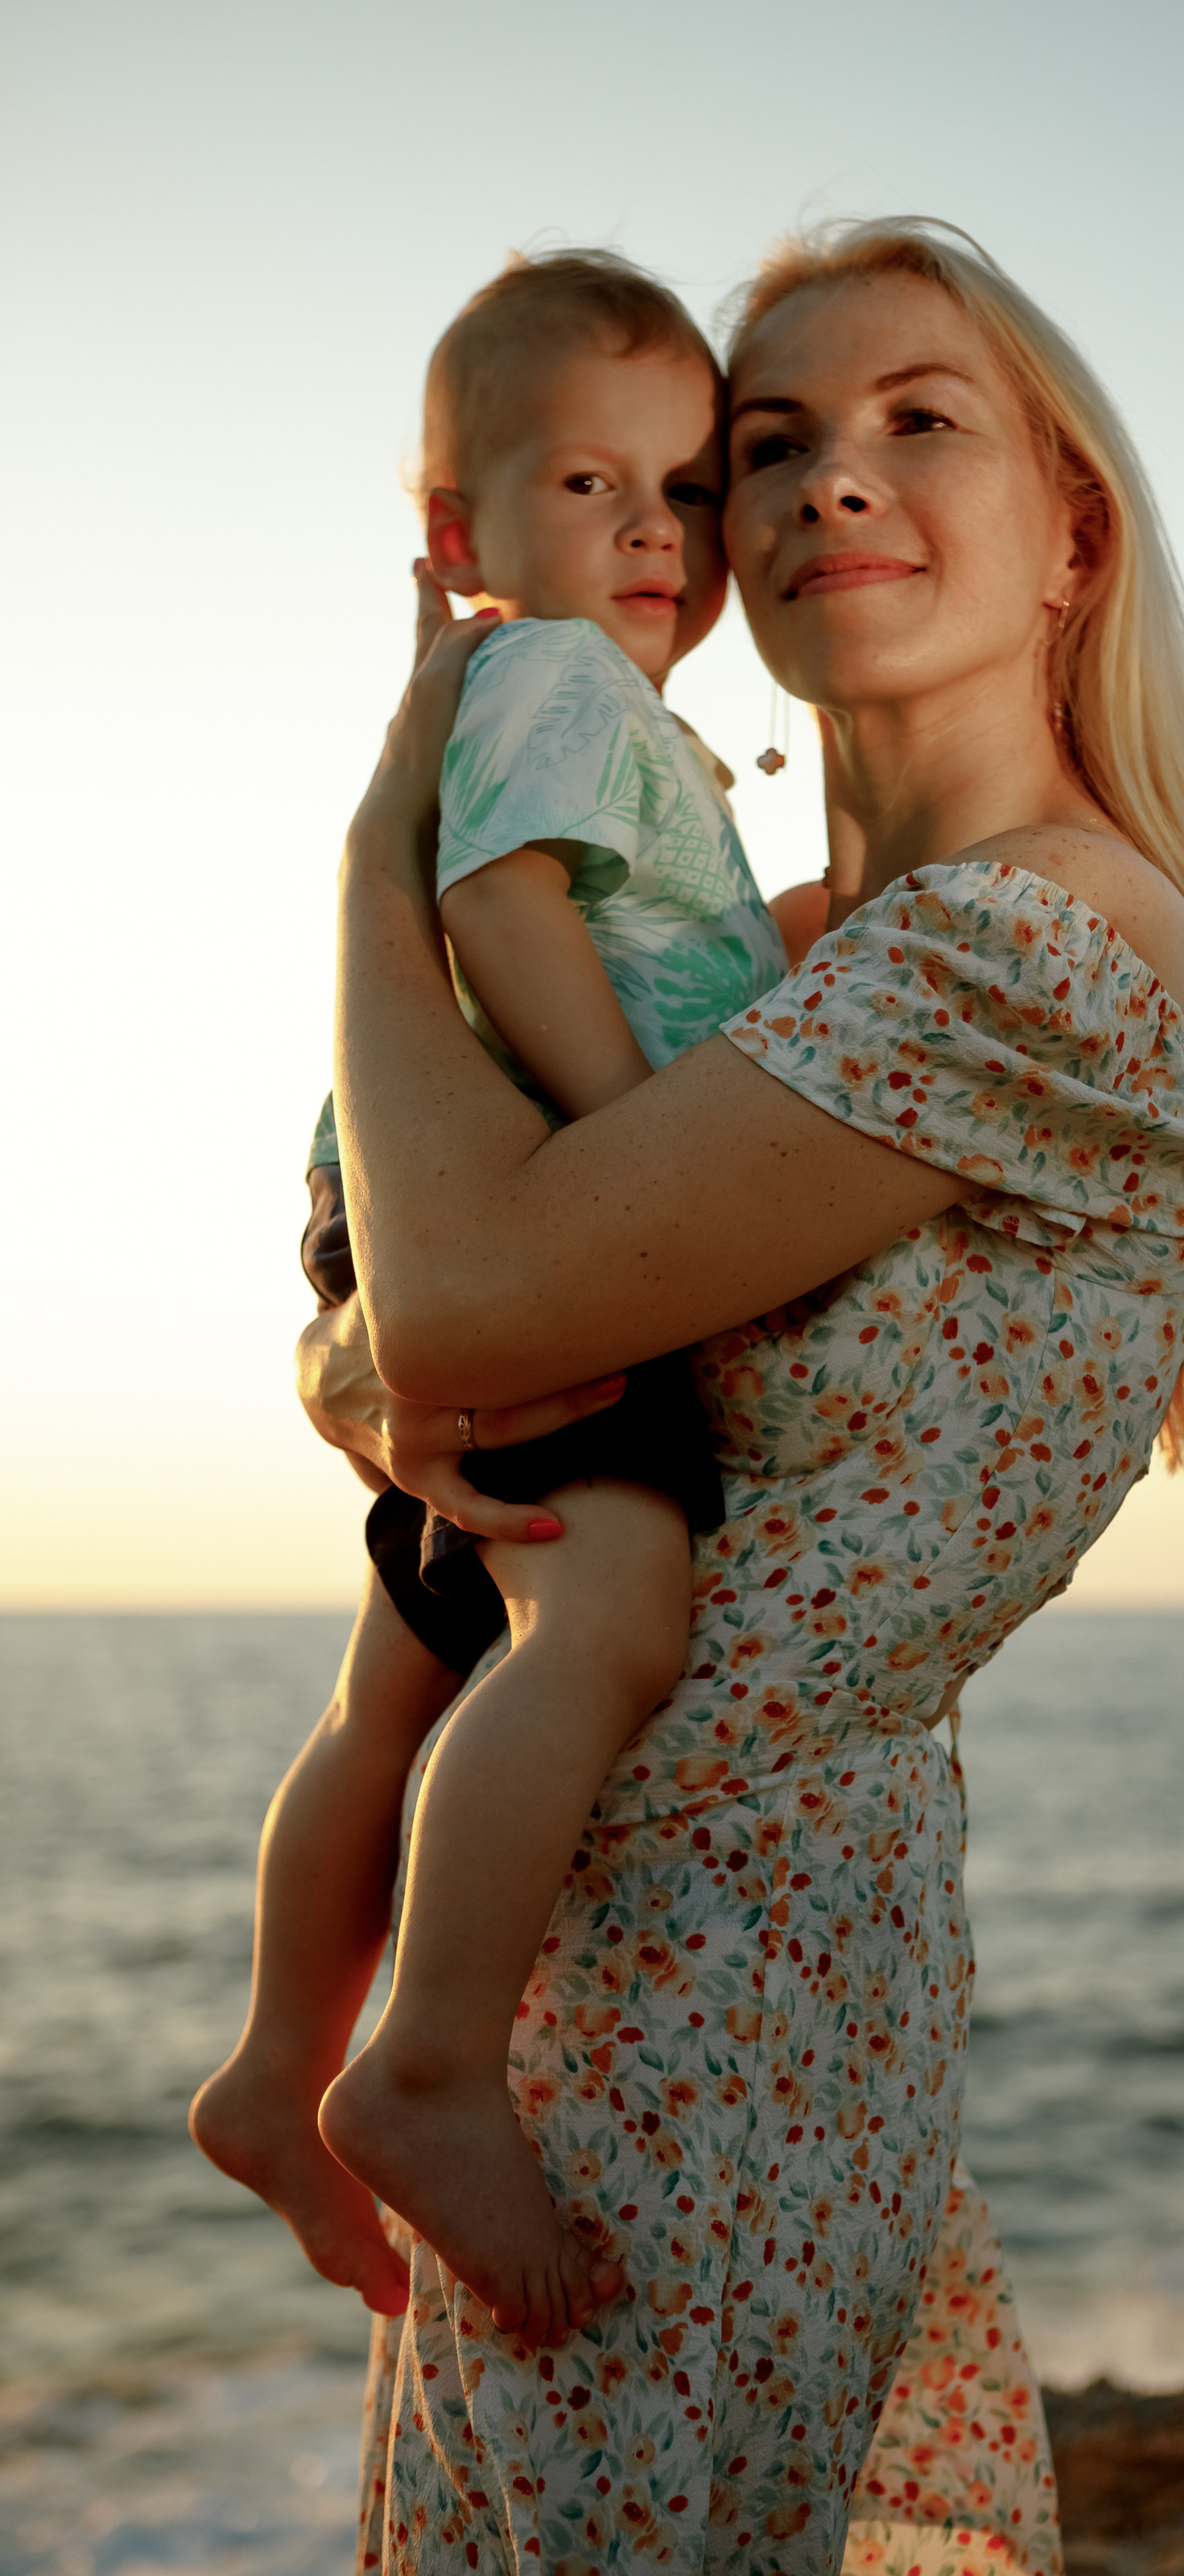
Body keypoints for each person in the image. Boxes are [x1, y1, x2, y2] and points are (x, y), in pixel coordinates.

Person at [299, 218, 1184, 2575]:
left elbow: (477, 1288)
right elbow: (412, 1297)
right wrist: (376, 1374)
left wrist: (377, 853)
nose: (822, 485)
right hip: (631, 1982)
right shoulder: (797, 967)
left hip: (717, 2015)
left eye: (922, 420)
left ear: (1072, 528)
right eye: (763, 447)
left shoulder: (1037, 948)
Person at [190, 250, 791, 2345]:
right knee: (608, 1607)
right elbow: (495, 900)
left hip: (416, 1209)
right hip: (510, 1200)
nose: (654, 532)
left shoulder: (597, 707)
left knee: (406, 1675)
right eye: (590, 482)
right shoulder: (550, 680)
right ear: (461, 534)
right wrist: (641, 1137)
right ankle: (421, 2066)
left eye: (687, 489)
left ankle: (277, 2060)